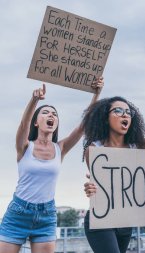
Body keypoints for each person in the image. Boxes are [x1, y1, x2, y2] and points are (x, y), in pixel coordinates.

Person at [0, 79, 103, 253]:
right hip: (18, 214)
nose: (51, 115)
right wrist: (34, 101)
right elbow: (23, 125)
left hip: (46, 216)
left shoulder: (60, 148)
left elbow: (82, 127)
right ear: (36, 122)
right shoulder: (25, 147)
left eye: (54, 114)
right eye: (45, 112)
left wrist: (96, 94)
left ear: (56, 124)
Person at [82, 92, 145, 253]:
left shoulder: (136, 146)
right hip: (101, 220)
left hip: (124, 222)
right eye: (118, 111)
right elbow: (99, 184)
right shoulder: (95, 149)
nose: (125, 115)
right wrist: (91, 187)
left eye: (128, 112)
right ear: (105, 118)